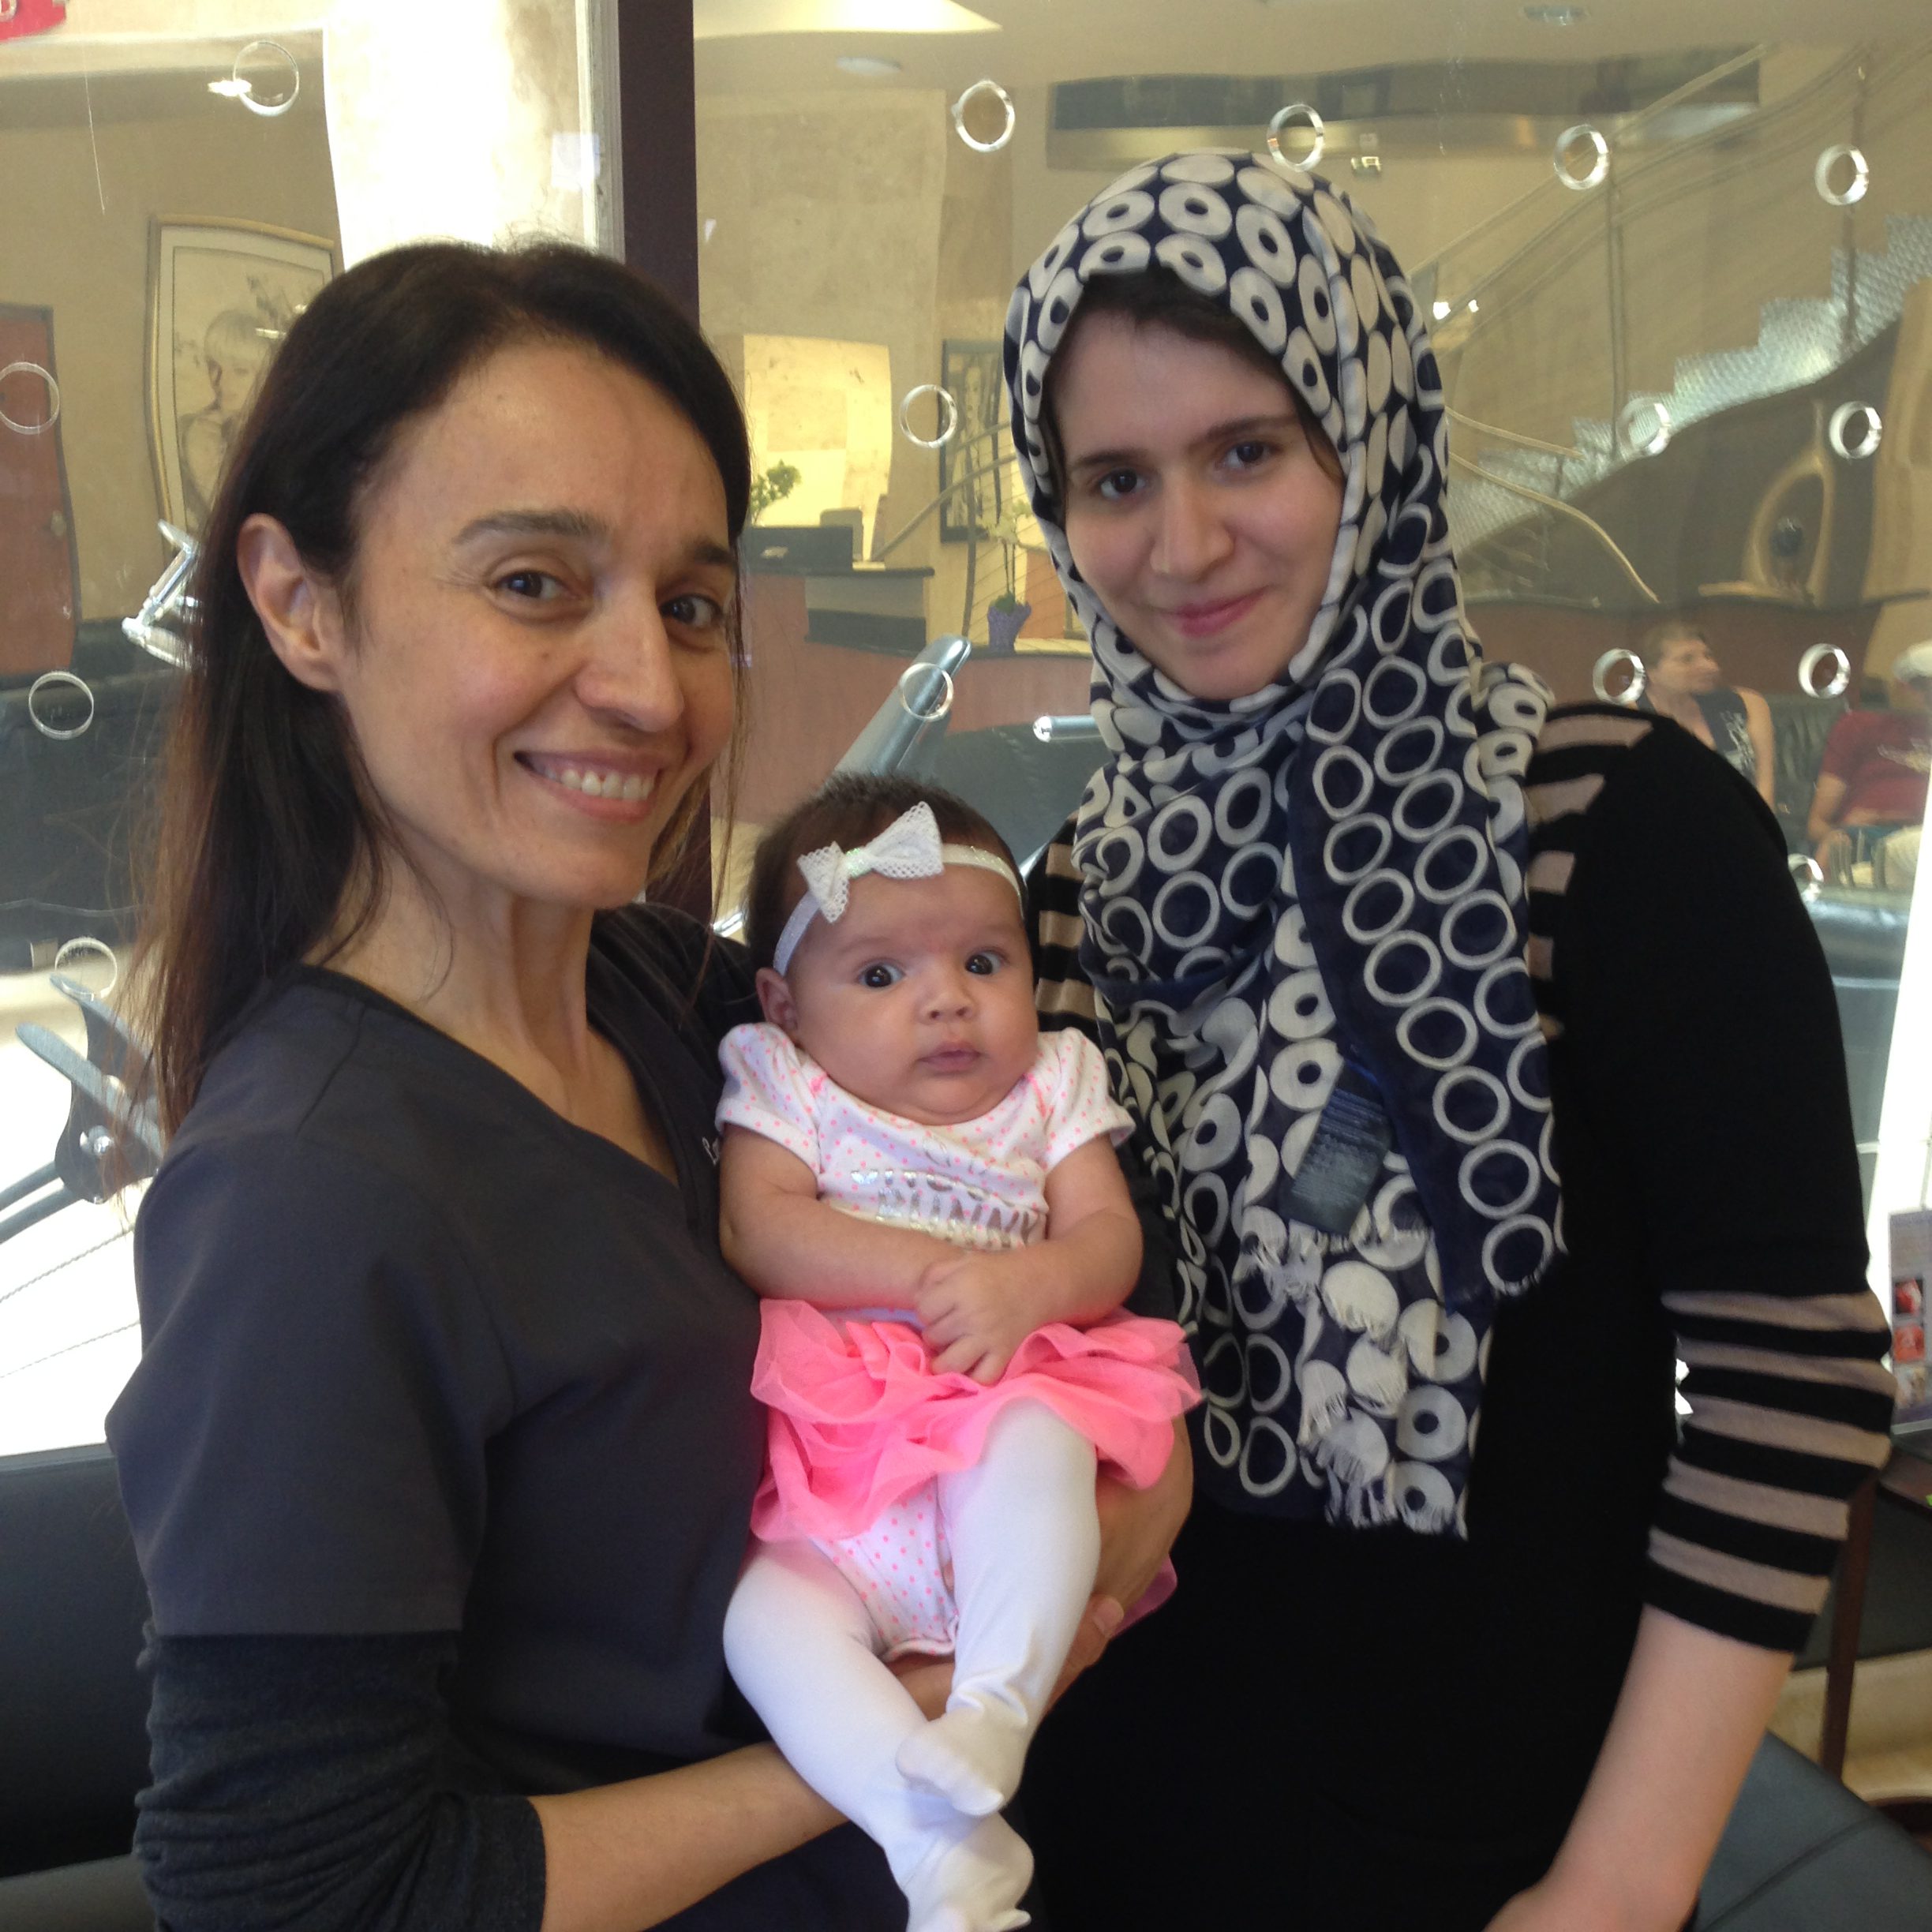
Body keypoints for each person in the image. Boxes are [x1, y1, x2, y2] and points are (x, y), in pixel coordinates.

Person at [103, 240, 1178, 1932]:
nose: (648, 687)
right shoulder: (310, 1200)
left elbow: (1055, 1287)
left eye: (689, 606)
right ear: (303, 603)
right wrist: (890, 1742)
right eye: (534, 581)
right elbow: (290, 1895)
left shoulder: (699, 1005)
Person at [1005, 155, 1896, 1931]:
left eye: (1246, 451)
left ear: (1371, 440)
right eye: (1116, 480)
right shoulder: (1070, 892)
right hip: (1087, 1844)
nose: (1181, 545)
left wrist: (1618, 1885)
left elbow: (1786, 1387)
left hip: (1490, 1862)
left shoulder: (1615, 832)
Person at [716, 776, 1196, 1932]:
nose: (947, 1001)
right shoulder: (789, 1083)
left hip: (1000, 1392)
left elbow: (1108, 1236)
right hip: (847, 1479)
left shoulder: (1050, 1083)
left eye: (984, 963)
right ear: (786, 1004)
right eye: (882, 976)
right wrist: (932, 1275)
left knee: (1035, 1439)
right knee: (763, 1622)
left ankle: (994, 1710)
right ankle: (932, 1842)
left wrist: (1029, 1285)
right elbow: (758, 1227)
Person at [1807, 639, 1932, 884]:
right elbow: (1816, 825)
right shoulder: (1860, 725)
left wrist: (1884, 815)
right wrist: (1840, 835)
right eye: (1924, 686)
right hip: (1868, 839)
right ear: (1899, 686)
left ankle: (1867, 880)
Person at [1637, 620, 1774, 807]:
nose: (1711, 667)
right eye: (1687, 659)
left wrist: (1758, 823)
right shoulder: (1632, 720)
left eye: (1708, 656)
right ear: (1652, 672)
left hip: (1746, 819)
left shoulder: (1748, 704)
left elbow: (1765, 785)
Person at [178, 308, 270, 531]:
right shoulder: (199, 432)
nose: (221, 381)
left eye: (240, 371)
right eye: (215, 367)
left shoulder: (280, 431)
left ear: (266, 373)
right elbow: (231, 516)